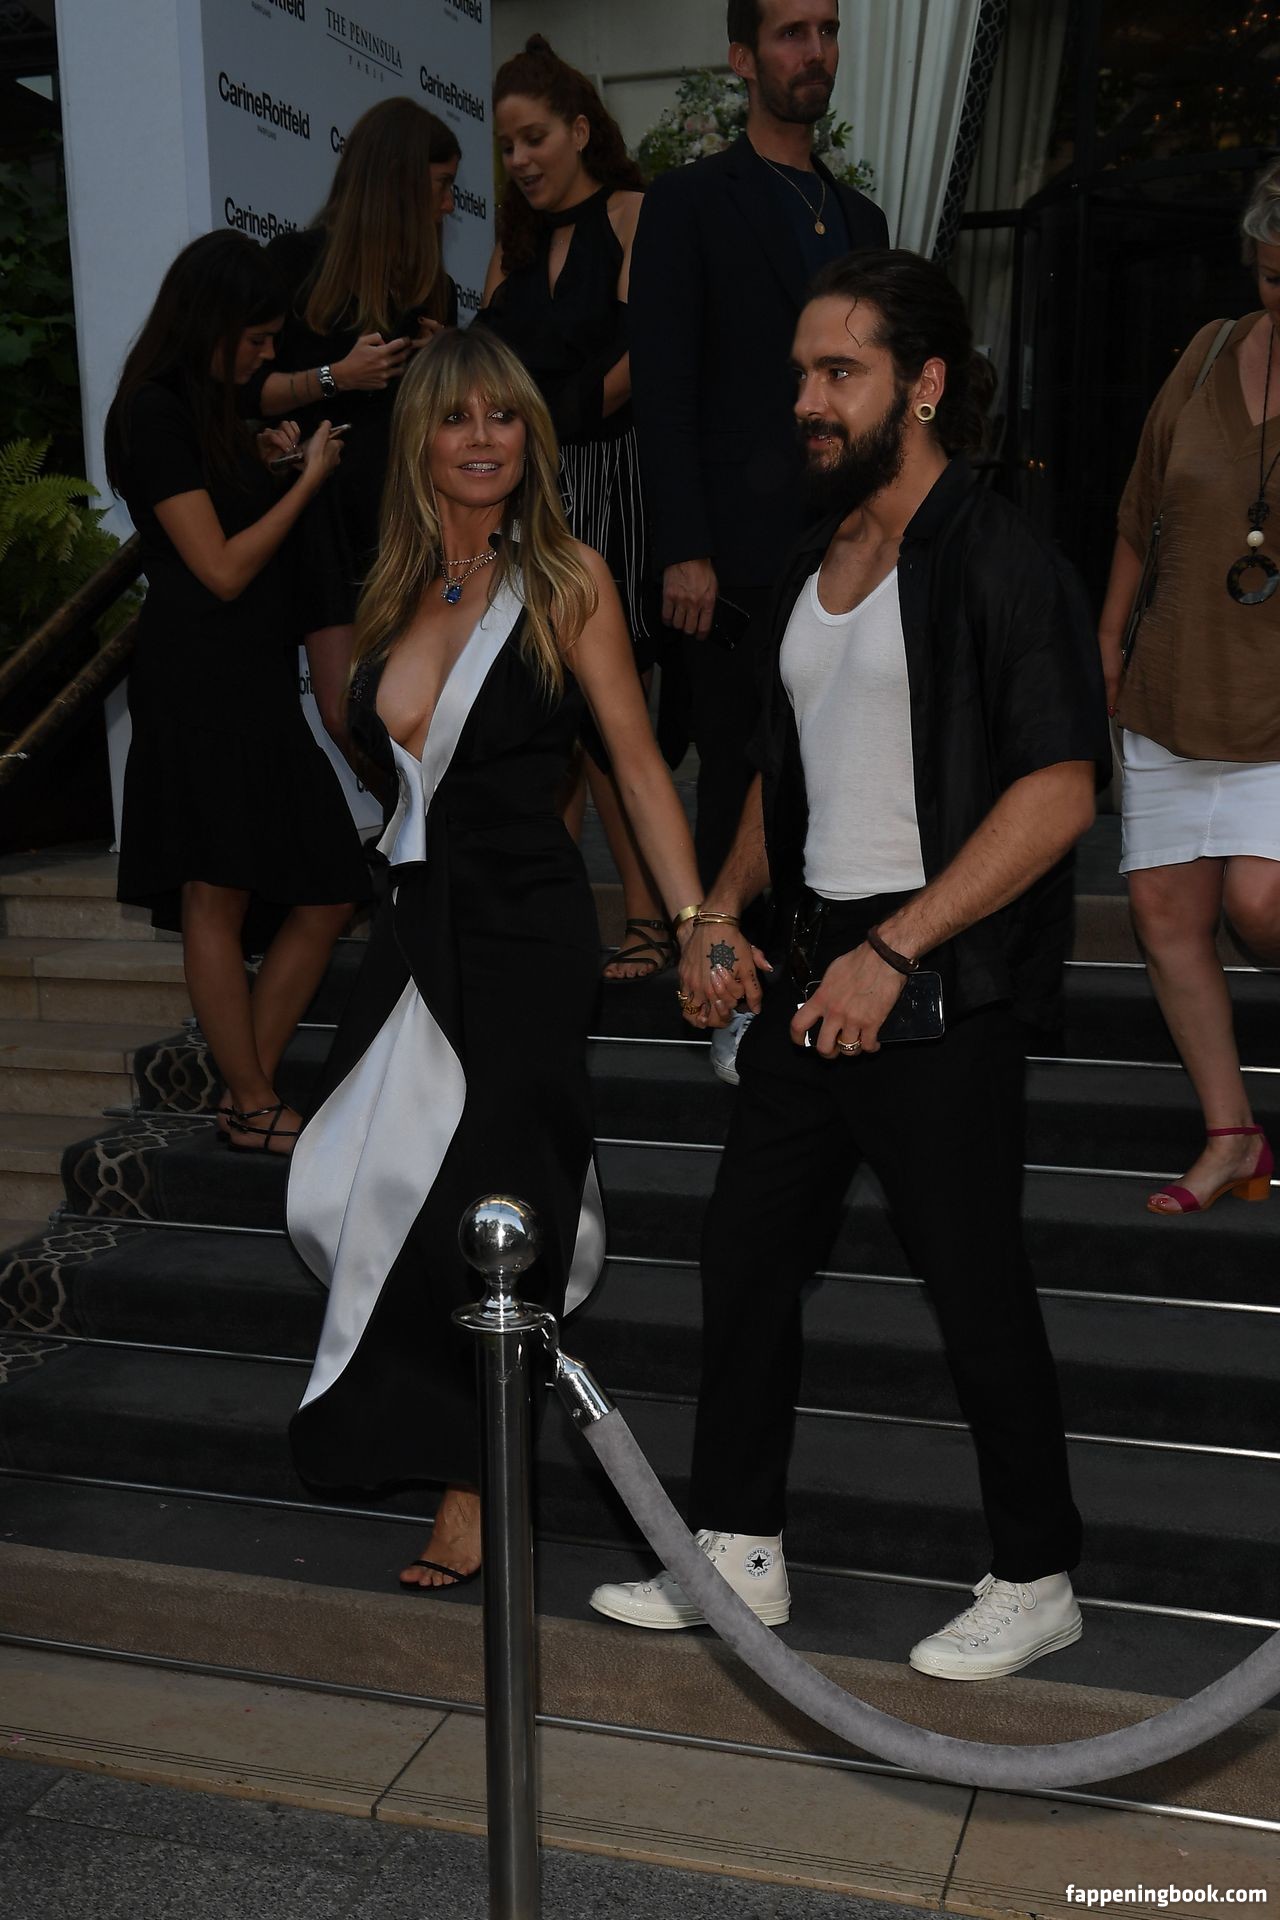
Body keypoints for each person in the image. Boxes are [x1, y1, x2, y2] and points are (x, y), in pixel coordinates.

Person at [590, 250, 1112, 1680]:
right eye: (802, 376)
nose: (809, 402)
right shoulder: (812, 559)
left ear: (921, 384)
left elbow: (1059, 792)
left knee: (972, 1280)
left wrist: (897, 947)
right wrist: (718, 910)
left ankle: (1036, 1574)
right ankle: (739, 1548)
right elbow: (787, 767)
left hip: (934, 973)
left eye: (841, 374)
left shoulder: (999, 557)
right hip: (819, 961)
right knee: (746, 1254)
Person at [286, 327, 705, 1590]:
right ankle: (437, 1432)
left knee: (493, 1204)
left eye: (503, 416)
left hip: (524, 931)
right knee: (345, 1185)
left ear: (532, 436)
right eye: (456, 418)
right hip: (416, 928)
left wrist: (693, 920)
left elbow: (635, 762)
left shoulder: (566, 579)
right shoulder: (395, 589)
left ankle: (477, 1482)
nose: (481, 438)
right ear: (419, 440)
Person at [629, 0, 888, 1055]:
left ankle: (824, 992)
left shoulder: (861, 219)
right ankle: (725, 1001)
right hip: (731, 559)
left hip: (847, 553)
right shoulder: (689, 202)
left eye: (825, 30)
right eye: (790, 33)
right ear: (741, 56)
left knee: (841, 773)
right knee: (740, 775)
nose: (813, 51)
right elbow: (663, 389)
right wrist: (682, 546)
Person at [107, 231, 367, 1154]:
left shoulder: (204, 408)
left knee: (331, 886)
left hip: (252, 681)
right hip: (199, 680)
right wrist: (307, 483)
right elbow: (217, 569)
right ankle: (254, 1102)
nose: (265, 357)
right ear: (210, 323)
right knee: (214, 894)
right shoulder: (152, 412)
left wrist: (271, 464)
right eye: (255, 339)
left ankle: (242, 1089)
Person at [1096, 162, 1280, 1218]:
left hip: (1273, 704)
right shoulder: (1208, 351)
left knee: (1260, 903)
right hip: (1174, 682)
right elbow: (1140, 511)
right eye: (1270, 276)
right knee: (1164, 910)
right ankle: (1229, 1134)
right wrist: (1107, 637)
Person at [478, 36, 669, 982]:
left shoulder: (634, 215)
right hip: (528, 495)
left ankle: (647, 914)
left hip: (610, 483)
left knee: (602, 709)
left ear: (582, 131)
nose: (519, 160)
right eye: (507, 146)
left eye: (535, 138)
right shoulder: (509, 248)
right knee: (540, 709)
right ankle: (552, 918)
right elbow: (483, 366)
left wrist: (549, 426)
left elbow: (646, 353)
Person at [250, 98, 462, 759]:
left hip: (404, 519)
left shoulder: (433, 287)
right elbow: (247, 393)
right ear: (398, 182)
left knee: (413, 711)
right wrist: (335, 377)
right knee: (345, 714)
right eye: (441, 186)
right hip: (317, 517)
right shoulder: (293, 262)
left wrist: (445, 363)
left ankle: (423, 825)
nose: (449, 206)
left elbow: (456, 415)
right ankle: (415, 823)